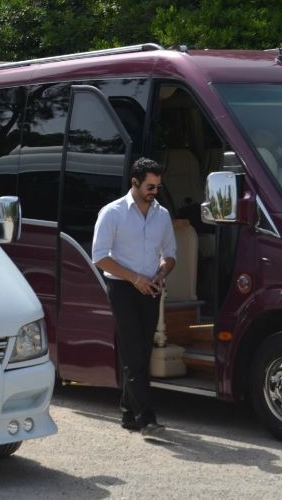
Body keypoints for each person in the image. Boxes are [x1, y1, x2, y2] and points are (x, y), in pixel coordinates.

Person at [92, 158, 177, 438]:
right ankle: (146, 418)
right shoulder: (112, 213)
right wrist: (135, 279)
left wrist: (161, 273)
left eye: (158, 186)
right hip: (123, 288)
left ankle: (128, 412)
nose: (154, 191)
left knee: (142, 352)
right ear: (135, 183)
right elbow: (100, 257)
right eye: (150, 186)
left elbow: (171, 255)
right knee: (133, 353)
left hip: (151, 288)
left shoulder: (162, 215)